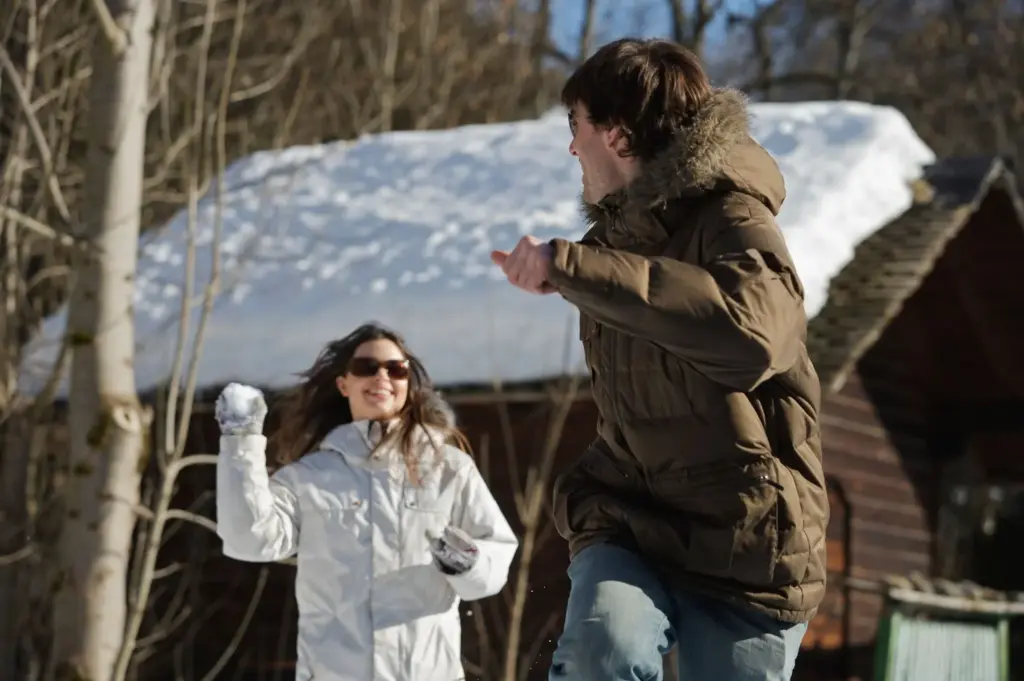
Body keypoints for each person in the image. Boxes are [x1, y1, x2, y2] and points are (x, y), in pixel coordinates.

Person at [491, 38, 828, 681]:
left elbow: (749, 340)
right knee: (602, 652)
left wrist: (574, 268)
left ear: (616, 137)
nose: (570, 147)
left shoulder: (737, 222)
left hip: (746, 545)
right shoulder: (606, 245)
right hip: (631, 520)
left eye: (576, 126)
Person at [214, 322, 518, 681]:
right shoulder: (309, 477)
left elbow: (494, 564)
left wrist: (469, 564)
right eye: (366, 368)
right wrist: (241, 441)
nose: (382, 377)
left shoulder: (449, 469)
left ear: (408, 382)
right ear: (344, 384)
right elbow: (249, 539)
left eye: (396, 368)